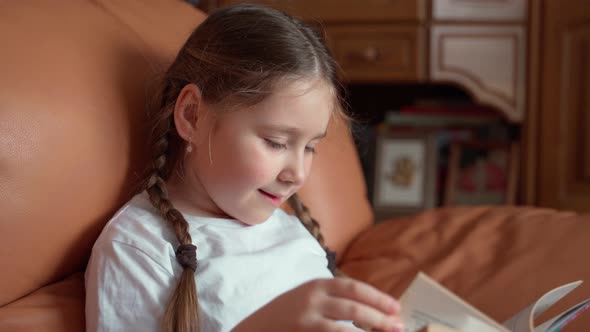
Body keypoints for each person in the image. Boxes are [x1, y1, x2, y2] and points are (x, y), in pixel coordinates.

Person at [85, 4, 403, 332]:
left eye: (310, 148)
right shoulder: (138, 249)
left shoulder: (289, 228)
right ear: (192, 115)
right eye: (276, 142)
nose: (299, 174)